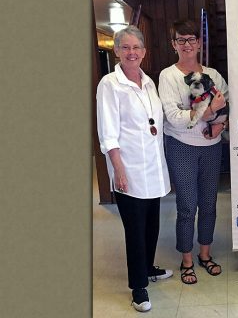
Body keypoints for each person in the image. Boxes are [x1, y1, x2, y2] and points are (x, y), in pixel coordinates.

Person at [96, 25, 173, 312]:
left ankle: (149, 267)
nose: (131, 52)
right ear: (116, 51)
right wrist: (119, 169)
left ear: (144, 52)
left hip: (153, 166)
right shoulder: (109, 84)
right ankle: (138, 286)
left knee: (152, 221)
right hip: (128, 167)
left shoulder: (149, 81)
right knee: (135, 228)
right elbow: (108, 132)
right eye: (125, 47)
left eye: (136, 48)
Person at [158, 19, 228, 284]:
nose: (186, 44)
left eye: (191, 39)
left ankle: (205, 254)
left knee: (209, 205)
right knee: (187, 206)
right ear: (174, 44)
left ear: (199, 42)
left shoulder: (213, 75)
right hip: (182, 147)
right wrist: (209, 111)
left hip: (211, 147)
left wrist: (219, 124)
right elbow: (175, 117)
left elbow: (227, 104)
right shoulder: (169, 75)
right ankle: (186, 260)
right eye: (181, 40)